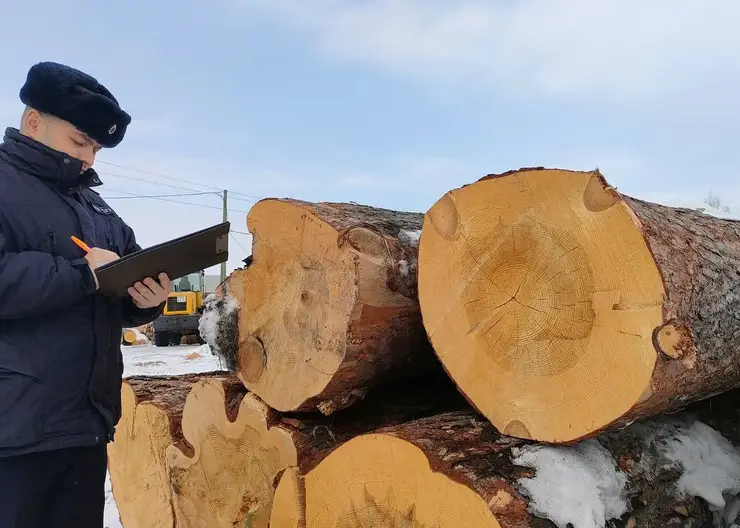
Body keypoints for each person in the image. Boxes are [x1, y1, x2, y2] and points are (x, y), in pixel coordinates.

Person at [0, 61, 172, 527]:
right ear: (34, 121)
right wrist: (83, 275)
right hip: (14, 431)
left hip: (86, 426)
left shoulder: (94, 206)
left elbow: (120, 284)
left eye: (95, 148)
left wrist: (145, 298)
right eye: (80, 142)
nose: (89, 159)